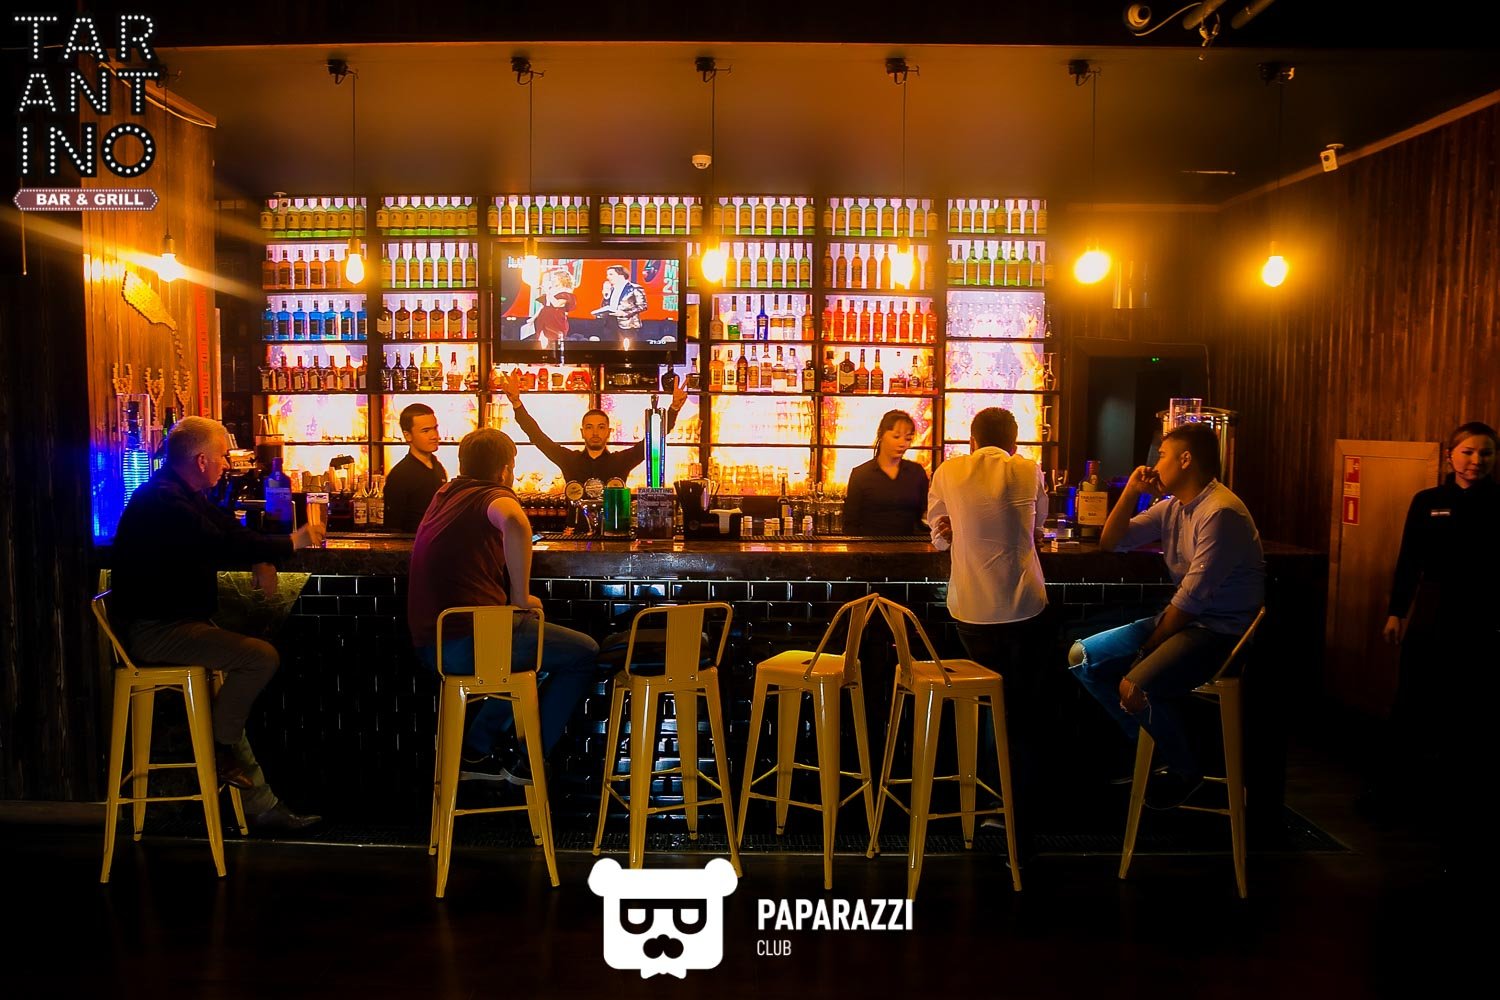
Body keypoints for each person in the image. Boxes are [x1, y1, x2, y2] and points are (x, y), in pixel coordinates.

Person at [109, 416, 325, 831]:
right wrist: (292, 542)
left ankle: (253, 795)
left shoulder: (178, 493)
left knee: (235, 682)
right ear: (201, 460)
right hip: (157, 631)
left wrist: (262, 556)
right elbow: (222, 542)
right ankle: (218, 749)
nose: (227, 464)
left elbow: (227, 529)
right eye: (223, 456)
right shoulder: (165, 503)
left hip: (175, 622)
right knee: (259, 658)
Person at [1067, 423, 1264, 810]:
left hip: (1219, 632)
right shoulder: (1174, 506)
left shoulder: (1220, 512)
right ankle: (1153, 746)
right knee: (1081, 656)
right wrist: (1131, 492)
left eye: (1161, 456)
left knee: (1134, 686)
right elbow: (1112, 541)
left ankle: (1186, 770)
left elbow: (1190, 602)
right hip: (1185, 621)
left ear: (1185, 459)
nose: (1155, 465)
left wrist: (1146, 651)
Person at [408, 428, 600, 783]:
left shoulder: (446, 492)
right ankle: (526, 761)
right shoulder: (492, 494)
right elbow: (514, 520)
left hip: (433, 644)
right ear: (505, 470)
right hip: (468, 642)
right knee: (583, 653)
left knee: (535, 661)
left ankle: (477, 749)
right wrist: (521, 597)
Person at [1367, 421, 1498, 857]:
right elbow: (1410, 559)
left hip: (1483, 617)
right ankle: (1392, 796)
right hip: (1433, 610)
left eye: (1485, 453)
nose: (1476, 461)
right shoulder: (1428, 501)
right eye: (1468, 452)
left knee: (1471, 709)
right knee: (1411, 700)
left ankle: (1461, 804)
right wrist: (1396, 611)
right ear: (1451, 456)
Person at [927, 407, 1050, 850]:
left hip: (972, 610)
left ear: (972, 440)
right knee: (1020, 710)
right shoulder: (1028, 469)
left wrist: (951, 531)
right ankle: (1018, 813)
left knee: (984, 705)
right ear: (1014, 442)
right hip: (1025, 607)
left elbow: (938, 534)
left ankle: (979, 804)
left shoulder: (948, 470)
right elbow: (1038, 526)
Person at [502, 372, 687, 528]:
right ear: (582, 432)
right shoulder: (569, 459)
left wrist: (674, 409)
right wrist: (517, 404)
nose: (595, 433)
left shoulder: (621, 461)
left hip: (615, 532)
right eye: (589, 427)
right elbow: (538, 438)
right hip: (575, 532)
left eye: (601, 427)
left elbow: (653, 439)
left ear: (609, 432)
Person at [843, 410, 929, 536]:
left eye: (908, 439)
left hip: (910, 544)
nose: (902, 443)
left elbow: (925, 515)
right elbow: (850, 522)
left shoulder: (916, 472)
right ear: (881, 435)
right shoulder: (861, 474)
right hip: (870, 545)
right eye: (896, 437)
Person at [383, 403, 447, 532]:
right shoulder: (400, 475)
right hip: (413, 542)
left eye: (435, 428)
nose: (434, 436)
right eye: (426, 431)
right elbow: (393, 526)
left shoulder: (438, 467)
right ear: (408, 435)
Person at [590, 264, 647, 337]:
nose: (608, 277)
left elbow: (643, 306)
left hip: (627, 324)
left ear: (621, 275)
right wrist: (606, 295)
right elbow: (606, 305)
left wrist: (624, 313)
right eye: (607, 275)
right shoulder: (611, 288)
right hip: (610, 323)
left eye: (611, 274)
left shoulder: (634, 288)